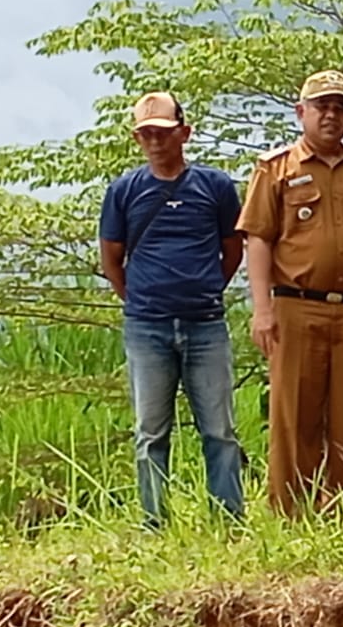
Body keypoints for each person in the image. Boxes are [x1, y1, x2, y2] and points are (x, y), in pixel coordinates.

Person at [236, 70, 343, 515]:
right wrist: (262, 310)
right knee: (296, 419)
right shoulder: (275, 170)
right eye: (321, 106)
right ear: (302, 113)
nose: (331, 115)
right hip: (296, 309)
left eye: (340, 107)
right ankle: (291, 518)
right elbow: (258, 239)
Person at [99, 91, 245, 525]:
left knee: (219, 429)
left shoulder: (215, 187)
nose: (155, 142)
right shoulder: (124, 191)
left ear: (184, 132)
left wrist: (206, 289)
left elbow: (232, 249)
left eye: (163, 133)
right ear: (137, 139)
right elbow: (111, 257)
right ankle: (153, 523)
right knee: (150, 431)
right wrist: (139, 298)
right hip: (147, 328)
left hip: (206, 325)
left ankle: (228, 520)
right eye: (146, 134)